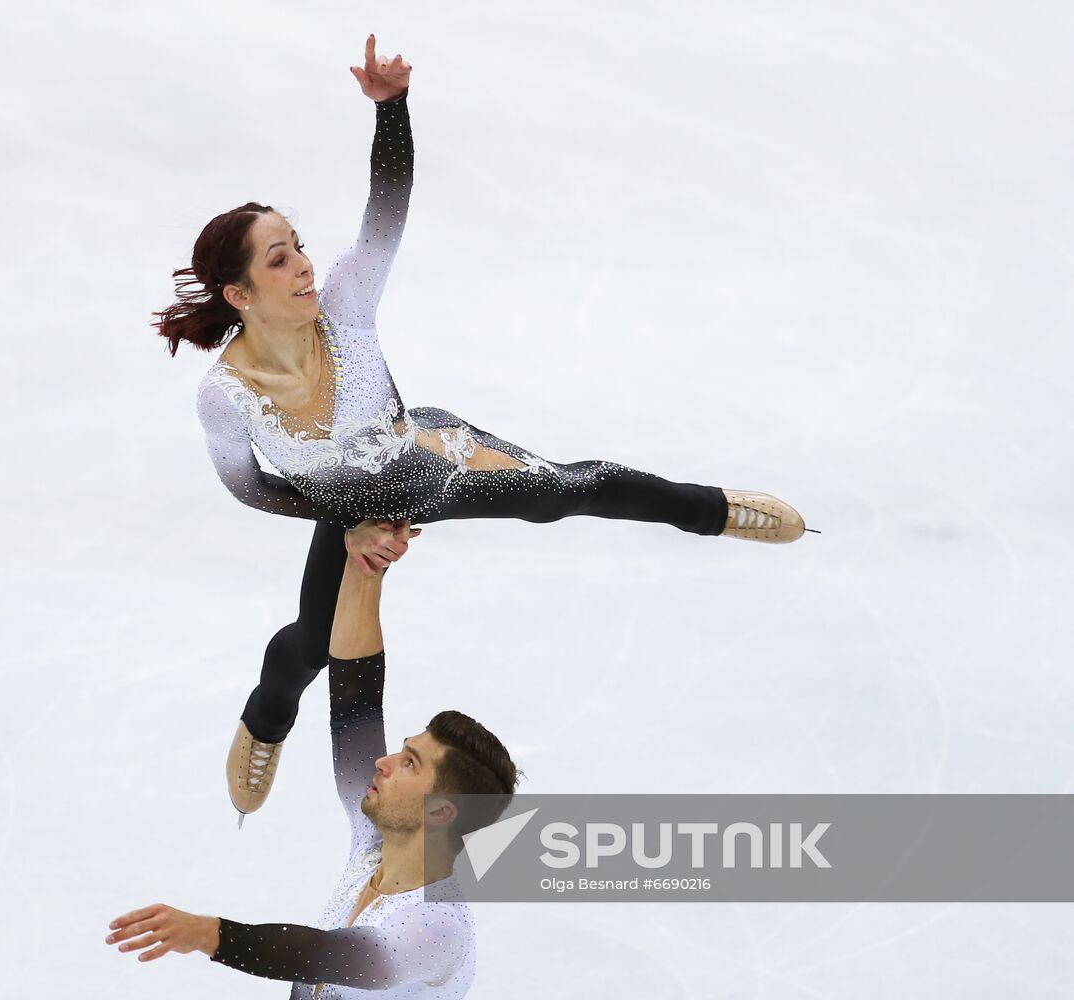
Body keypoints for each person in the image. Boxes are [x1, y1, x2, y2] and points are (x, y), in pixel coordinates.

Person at [151, 35, 814, 818]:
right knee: (309, 649)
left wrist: (390, 111)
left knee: (565, 489)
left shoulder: (348, 303)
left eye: (296, 248)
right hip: (341, 506)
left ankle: (713, 509)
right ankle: (264, 725)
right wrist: (353, 521)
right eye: (276, 261)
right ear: (238, 294)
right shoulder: (226, 395)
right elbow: (251, 489)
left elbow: (385, 209)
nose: (301, 267)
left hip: (423, 457)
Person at [105, 527, 515, 998]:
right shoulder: (377, 843)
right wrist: (368, 568)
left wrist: (207, 933)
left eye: (409, 764)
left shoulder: (435, 926)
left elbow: (324, 955)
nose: (383, 762)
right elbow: (356, 699)